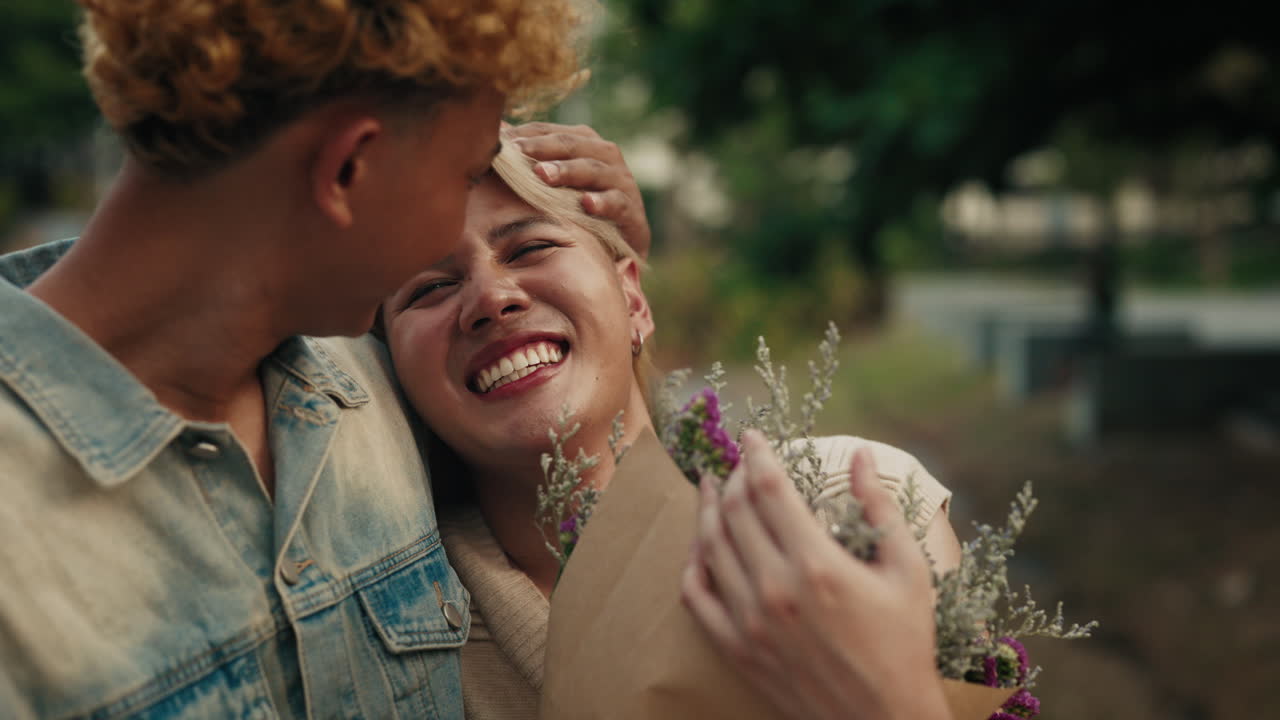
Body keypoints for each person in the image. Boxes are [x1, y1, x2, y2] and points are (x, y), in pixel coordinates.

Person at [0, 1, 585, 717]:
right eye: (466, 176)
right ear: (347, 169)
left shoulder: (385, 392)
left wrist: (610, 248)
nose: (459, 237)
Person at [381, 131, 964, 719]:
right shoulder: (379, 634)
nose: (491, 297)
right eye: (430, 287)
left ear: (633, 299)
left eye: (530, 248)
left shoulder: (857, 509)